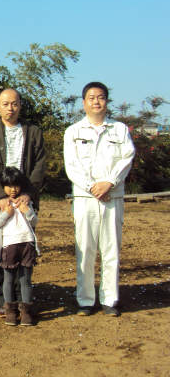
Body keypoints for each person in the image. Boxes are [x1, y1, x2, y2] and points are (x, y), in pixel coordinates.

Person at [63, 81, 135, 317]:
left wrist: (110, 182)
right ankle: (85, 300)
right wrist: (92, 187)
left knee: (111, 248)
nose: (96, 101)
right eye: (91, 97)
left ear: (106, 101)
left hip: (112, 197)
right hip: (85, 198)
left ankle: (110, 299)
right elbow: (71, 166)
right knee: (85, 249)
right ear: (83, 102)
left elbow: (127, 158)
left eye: (101, 97)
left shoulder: (119, 129)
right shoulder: (73, 131)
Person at [0, 88, 46, 315]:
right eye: (5, 104)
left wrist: (28, 193)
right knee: (3, 247)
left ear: (20, 105)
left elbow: (40, 164)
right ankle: (4, 298)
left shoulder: (33, 132)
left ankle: (23, 296)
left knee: (25, 244)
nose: (10, 108)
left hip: (25, 197)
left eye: (15, 103)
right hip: (1, 201)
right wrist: (0, 196)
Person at [0, 167, 39, 326]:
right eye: (9, 186)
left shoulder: (26, 202)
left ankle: (26, 312)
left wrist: (28, 212)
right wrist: (5, 214)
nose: (13, 189)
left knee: (25, 280)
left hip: (26, 244)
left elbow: (35, 222)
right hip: (8, 246)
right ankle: (10, 311)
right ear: (2, 186)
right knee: (8, 279)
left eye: (16, 185)